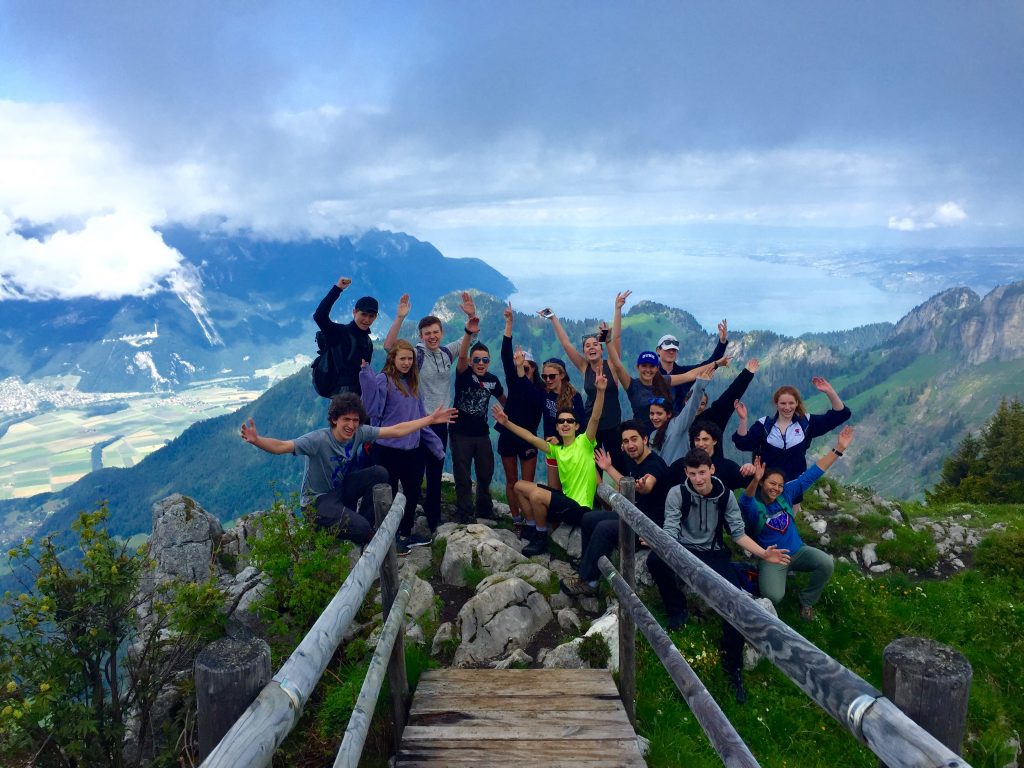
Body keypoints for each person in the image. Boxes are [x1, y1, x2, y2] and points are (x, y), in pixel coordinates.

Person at [646, 448, 791, 704]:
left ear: (712, 470)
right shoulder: (677, 493)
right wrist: (657, 541)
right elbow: (670, 529)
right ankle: (677, 610)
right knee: (655, 561)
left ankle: (732, 664)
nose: (698, 479)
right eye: (692, 474)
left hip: (714, 553)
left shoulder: (725, 497)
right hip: (684, 549)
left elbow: (738, 533)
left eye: (702, 472)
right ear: (686, 473)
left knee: (734, 600)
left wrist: (763, 554)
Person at [239, 393, 456, 546]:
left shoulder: (359, 433)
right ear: (334, 419)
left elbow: (396, 431)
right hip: (317, 502)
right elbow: (282, 447)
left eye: (355, 420)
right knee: (361, 528)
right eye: (346, 419)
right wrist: (257, 440)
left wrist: (430, 419)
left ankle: (361, 524)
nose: (351, 425)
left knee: (380, 473)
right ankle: (365, 533)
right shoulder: (318, 440)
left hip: (341, 490)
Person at [382, 291, 478, 533]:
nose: (432, 336)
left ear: (442, 333)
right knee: (414, 475)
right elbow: (389, 347)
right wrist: (400, 318)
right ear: (421, 336)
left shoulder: (447, 353)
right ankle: (403, 523)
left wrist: (471, 317)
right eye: (428, 333)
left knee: (435, 473)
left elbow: (467, 343)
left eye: (436, 332)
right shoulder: (418, 354)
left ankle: (433, 520)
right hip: (419, 424)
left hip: (440, 423)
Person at [740, 426, 854, 621]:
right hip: (772, 557)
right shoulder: (754, 505)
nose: (776, 489)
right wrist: (755, 479)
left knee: (826, 563)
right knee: (774, 596)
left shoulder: (787, 494)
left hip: (798, 551)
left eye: (779, 485)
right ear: (761, 483)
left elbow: (813, 473)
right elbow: (746, 500)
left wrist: (838, 449)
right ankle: (761, 574)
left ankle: (806, 600)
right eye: (771, 484)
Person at [491, 370, 608, 557]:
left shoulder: (585, 443)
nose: (565, 424)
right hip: (565, 503)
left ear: (577, 426)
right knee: (520, 486)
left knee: (537, 495)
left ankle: (541, 537)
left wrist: (600, 391)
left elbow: (594, 418)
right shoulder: (557, 449)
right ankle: (531, 526)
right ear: (557, 426)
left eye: (570, 421)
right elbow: (530, 436)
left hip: (580, 508)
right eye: (561, 421)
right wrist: (506, 423)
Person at [560, 419, 671, 596]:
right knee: (589, 518)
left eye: (634, 439)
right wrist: (608, 467)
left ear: (644, 439)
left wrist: (642, 486)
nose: (630, 445)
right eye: (626, 441)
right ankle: (587, 567)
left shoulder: (654, 464)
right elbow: (628, 484)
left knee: (604, 529)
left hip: (649, 527)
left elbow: (648, 483)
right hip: (635, 517)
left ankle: (590, 581)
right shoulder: (635, 460)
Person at [359, 341, 445, 553]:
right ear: (393, 360)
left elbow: (421, 418)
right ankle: (386, 536)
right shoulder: (383, 380)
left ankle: (405, 532)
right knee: (386, 494)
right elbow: (371, 410)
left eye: (410, 359)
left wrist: (435, 445)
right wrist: (366, 378)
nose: (406, 363)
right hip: (387, 449)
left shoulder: (414, 384)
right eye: (402, 359)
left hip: (413, 450)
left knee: (412, 493)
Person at [732, 376, 851, 505]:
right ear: (776, 404)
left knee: (788, 521)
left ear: (797, 404)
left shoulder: (806, 423)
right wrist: (743, 419)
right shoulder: (765, 424)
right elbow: (743, 443)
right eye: (783, 403)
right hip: (766, 486)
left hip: (793, 487)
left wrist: (829, 391)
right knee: (762, 521)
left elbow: (840, 415)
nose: (787, 407)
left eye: (791, 403)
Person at [542, 292, 628, 467]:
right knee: (594, 469)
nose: (591, 347)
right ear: (584, 352)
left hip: (613, 425)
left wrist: (617, 309)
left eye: (595, 344)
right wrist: (553, 319)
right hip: (592, 427)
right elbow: (566, 345)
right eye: (587, 346)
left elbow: (616, 337)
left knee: (619, 466)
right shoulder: (584, 367)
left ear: (602, 349)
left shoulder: (611, 364)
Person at [497, 302, 544, 524]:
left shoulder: (540, 390)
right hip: (508, 435)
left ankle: (530, 520)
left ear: (534, 368)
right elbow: (505, 353)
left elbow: (535, 402)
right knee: (511, 480)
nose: (524, 369)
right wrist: (509, 324)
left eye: (527, 366)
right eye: (521, 366)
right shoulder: (515, 380)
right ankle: (516, 519)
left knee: (527, 483)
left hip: (528, 439)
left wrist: (520, 372)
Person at [450, 335, 505, 522]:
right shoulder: (463, 373)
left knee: (485, 472)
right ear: (471, 362)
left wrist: (509, 416)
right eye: (477, 360)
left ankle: (484, 510)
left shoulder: (493, 380)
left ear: (489, 361)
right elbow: (462, 355)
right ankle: (465, 512)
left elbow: (504, 400)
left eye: (485, 360)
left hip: (482, 433)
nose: (481, 363)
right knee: (463, 474)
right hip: (460, 433)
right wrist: (468, 333)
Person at [513, 356, 585, 490]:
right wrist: (519, 367)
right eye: (544, 376)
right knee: (554, 490)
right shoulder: (545, 395)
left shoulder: (575, 397)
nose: (547, 380)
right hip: (551, 450)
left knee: (572, 489)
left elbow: (582, 427)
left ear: (562, 375)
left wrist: (561, 440)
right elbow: (527, 388)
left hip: (571, 451)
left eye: (552, 376)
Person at [606, 344, 705, 433]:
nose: (648, 370)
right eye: (644, 366)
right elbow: (618, 366)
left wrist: (717, 363)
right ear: (638, 367)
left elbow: (690, 375)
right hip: (642, 438)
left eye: (652, 366)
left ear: (657, 368)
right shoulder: (632, 385)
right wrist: (608, 341)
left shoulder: (663, 381)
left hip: (665, 435)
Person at [312, 276, 378, 396]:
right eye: (363, 314)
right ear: (354, 312)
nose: (367, 319)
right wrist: (337, 289)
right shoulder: (339, 333)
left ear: (376, 317)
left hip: (358, 395)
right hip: (341, 396)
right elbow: (319, 316)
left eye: (371, 316)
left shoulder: (367, 342)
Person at [656, 318, 729, 413]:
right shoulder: (652, 375)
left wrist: (722, 343)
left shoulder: (685, 372)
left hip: (680, 425)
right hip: (654, 423)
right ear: (658, 350)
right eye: (667, 349)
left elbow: (709, 364)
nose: (671, 352)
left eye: (674, 349)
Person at [647, 367, 714, 465]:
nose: (654, 417)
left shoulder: (677, 424)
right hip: (661, 479)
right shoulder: (653, 435)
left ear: (668, 414)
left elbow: (691, 407)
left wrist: (700, 385)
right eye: (652, 414)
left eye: (659, 413)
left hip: (680, 477)